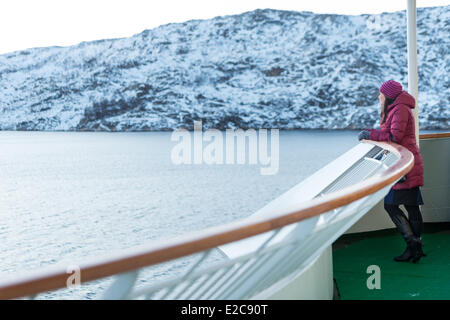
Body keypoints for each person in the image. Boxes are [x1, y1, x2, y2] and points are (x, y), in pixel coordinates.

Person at [358, 80, 425, 263]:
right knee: (411, 207)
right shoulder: (396, 108)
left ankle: (413, 246)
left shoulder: (400, 109)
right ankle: (416, 249)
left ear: (388, 96)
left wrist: (369, 134)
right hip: (405, 162)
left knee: (391, 205)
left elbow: (395, 136)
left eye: (381, 94)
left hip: (405, 164)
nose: (378, 97)